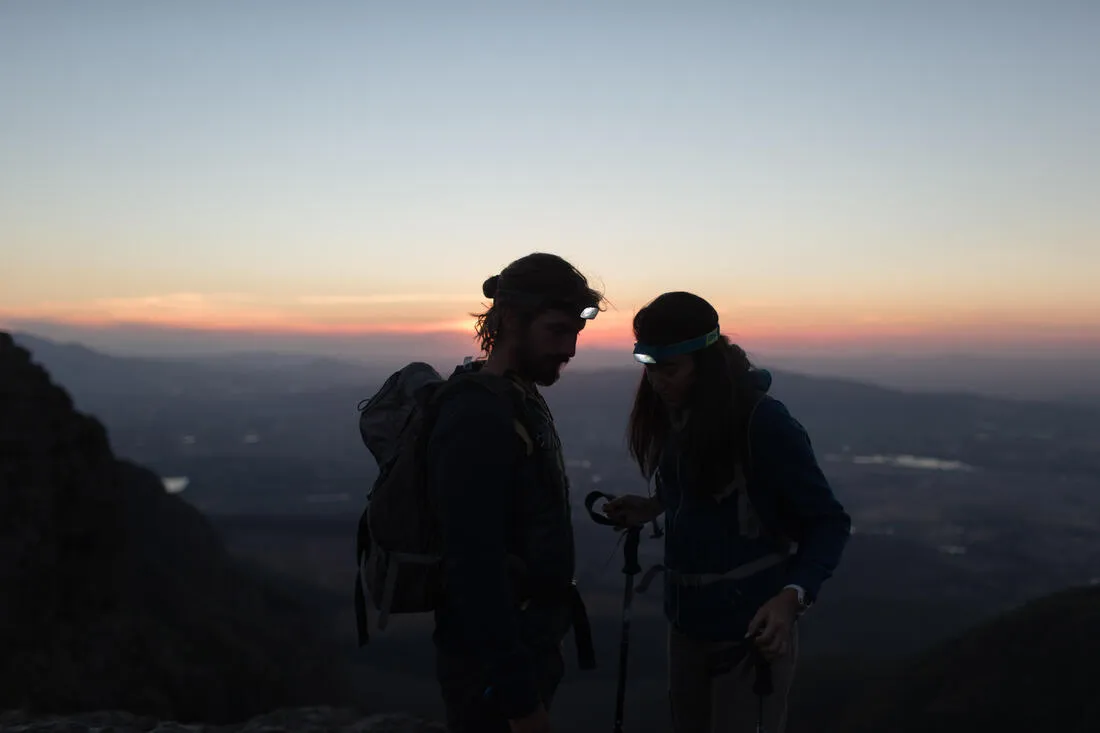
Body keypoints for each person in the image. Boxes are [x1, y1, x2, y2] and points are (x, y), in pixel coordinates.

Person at [602, 291, 851, 733]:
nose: (657, 382)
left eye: (669, 370)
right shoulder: (680, 417)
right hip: (686, 627)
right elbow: (707, 492)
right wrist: (656, 506)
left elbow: (828, 521)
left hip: (751, 634)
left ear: (705, 363)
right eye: (650, 369)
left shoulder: (764, 423)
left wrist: (791, 597)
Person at [426, 252, 606, 733]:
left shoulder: (519, 399)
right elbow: (473, 569)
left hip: (526, 648)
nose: (569, 349)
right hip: (491, 670)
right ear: (510, 319)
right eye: (556, 331)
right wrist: (519, 701)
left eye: (575, 333)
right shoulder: (477, 418)